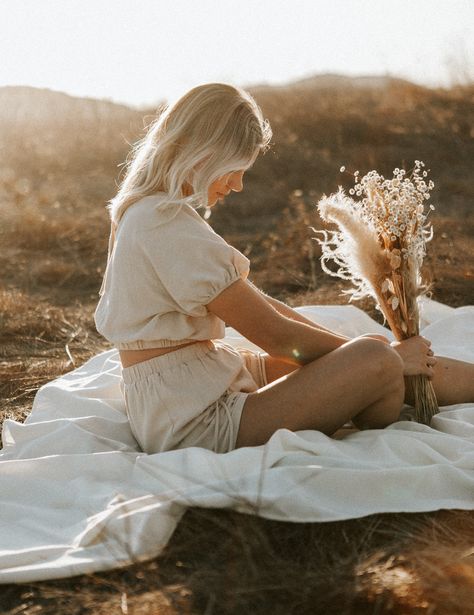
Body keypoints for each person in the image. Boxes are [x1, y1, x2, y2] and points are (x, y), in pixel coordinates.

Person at [95, 82, 474, 454]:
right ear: (203, 152)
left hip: (194, 386)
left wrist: (366, 352)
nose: (239, 184)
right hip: (196, 420)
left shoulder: (146, 211)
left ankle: (402, 381)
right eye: (235, 168)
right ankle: (380, 392)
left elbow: (264, 306)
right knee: (375, 359)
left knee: (371, 351)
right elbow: (275, 336)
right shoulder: (162, 222)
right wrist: (384, 358)